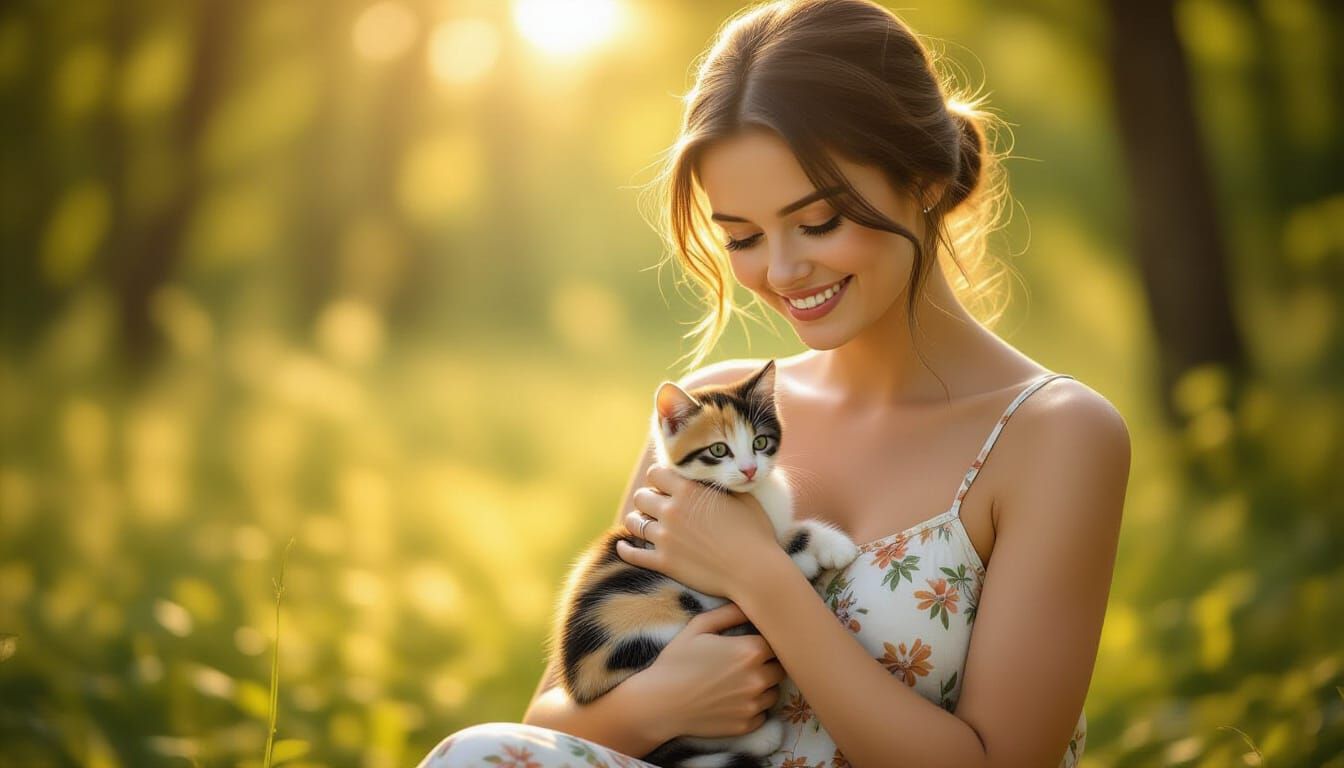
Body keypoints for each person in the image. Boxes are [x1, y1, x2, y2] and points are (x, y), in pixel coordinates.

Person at [415, 0, 1130, 765]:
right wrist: (659, 702)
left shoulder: (1055, 435)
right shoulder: (715, 411)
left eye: (818, 222)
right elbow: (549, 725)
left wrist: (761, 576)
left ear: (922, 179)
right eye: (744, 238)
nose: (782, 272)